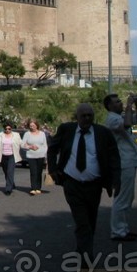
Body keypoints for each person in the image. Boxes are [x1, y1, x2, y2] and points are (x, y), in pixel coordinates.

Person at [47, 103, 121, 260]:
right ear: (77, 117)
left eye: (90, 115)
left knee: (91, 220)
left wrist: (116, 179)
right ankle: (87, 258)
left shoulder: (103, 133)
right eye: (84, 116)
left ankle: (82, 249)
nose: (87, 118)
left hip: (94, 185)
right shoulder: (67, 130)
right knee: (82, 222)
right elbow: (52, 148)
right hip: (72, 184)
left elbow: (114, 157)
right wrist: (53, 170)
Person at [104, 93, 137, 241]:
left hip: (128, 161)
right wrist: (129, 105)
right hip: (123, 162)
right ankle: (118, 231)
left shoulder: (120, 116)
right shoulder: (112, 119)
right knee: (122, 197)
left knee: (128, 197)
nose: (120, 103)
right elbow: (126, 124)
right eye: (117, 102)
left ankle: (123, 228)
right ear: (109, 106)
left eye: (120, 101)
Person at [21, 119, 48, 195]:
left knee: (39, 172)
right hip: (31, 155)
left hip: (41, 155)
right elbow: (22, 145)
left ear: (37, 125)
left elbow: (45, 145)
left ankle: (38, 188)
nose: (32, 127)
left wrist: (46, 155)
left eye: (33, 125)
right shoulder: (27, 134)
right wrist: (30, 147)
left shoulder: (42, 134)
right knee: (33, 172)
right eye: (30, 126)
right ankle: (33, 188)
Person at [0, 123, 22, 195]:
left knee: (10, 172)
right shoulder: (0, 135)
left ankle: (8, 189)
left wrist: (29, 146)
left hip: (12, 156)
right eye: (6, 129)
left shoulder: (16, 135)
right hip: (3, 156)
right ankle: (12, 183)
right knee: (6, 172)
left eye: (9, 129)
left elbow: (20, 143)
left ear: (11, 128)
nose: (7, 130)